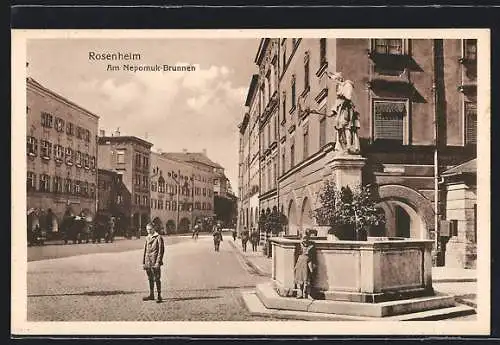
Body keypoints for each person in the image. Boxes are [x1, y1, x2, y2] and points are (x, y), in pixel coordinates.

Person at [327, 71, 360, 154]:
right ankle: (343, 145)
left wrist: (343, 95)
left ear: (339, 78)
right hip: (341, 110)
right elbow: (337, 102)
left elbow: (348, 97)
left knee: (347, 127)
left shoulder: (347, 84)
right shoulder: (340, 87)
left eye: (336, 80)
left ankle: (349, 145)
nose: (335, 82)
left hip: (347, 109)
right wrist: (333, 111)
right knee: (340, 128)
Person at [142, 223, 165, 303]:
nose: (149, 231)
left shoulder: (158, 237)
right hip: (148, 261)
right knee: (150, 278)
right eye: (147, 229)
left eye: (150, 229)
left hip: (155, 261)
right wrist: (144, 262)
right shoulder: (147, 237)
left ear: (154, 229)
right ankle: (151, 294)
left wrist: (158, 262)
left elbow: (160, 251)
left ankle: (159, 295)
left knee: (157, 279)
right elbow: (145, 251)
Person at [294, 233, 316, 299]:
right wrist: (296, 265)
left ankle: (307, 294)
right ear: (301, 239)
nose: (305, 239)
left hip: (308, 262)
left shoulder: (311, 246)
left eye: (306, 238)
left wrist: (313, 265)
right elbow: (296, 255)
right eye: (303, 238)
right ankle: (300, 293)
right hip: (300, 262)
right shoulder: (299, 246)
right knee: (300, 278)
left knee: (307, 278)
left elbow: (313, 256)